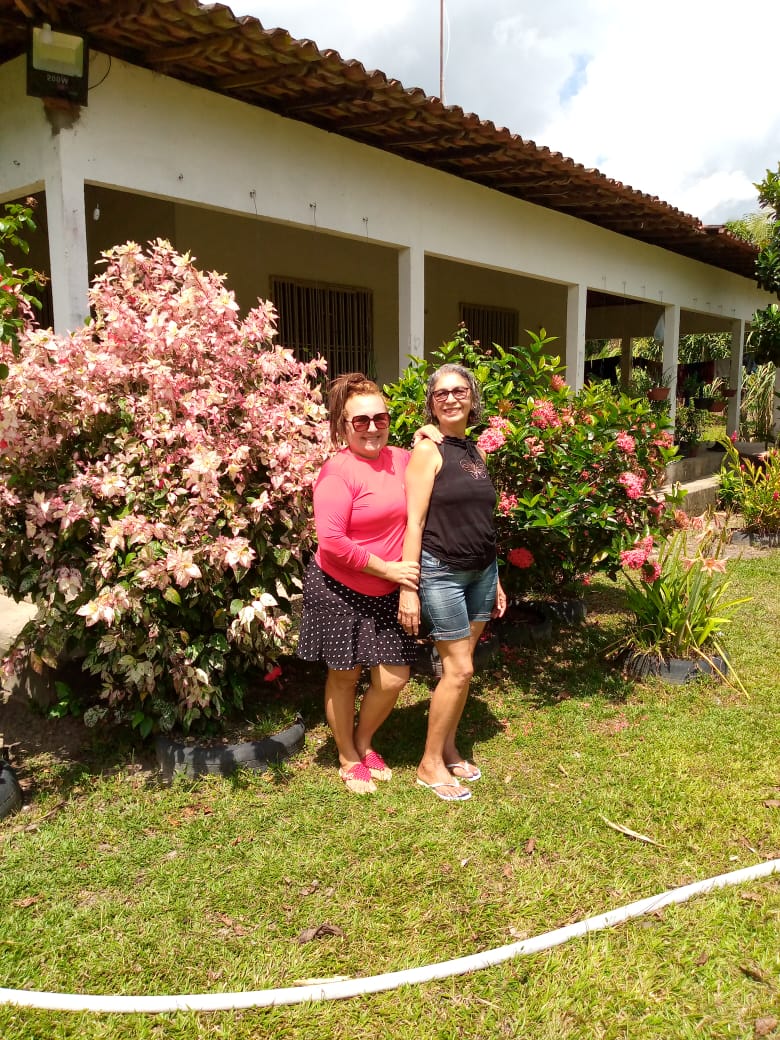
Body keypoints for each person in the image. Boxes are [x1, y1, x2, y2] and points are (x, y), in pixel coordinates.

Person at [297, 373, 424, 794]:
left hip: (386, 588)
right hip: (339, 589)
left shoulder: (403, 459)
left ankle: (365, 740)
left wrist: (429, 437)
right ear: (343, 426)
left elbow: (432, 467)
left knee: (394, 677)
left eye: (380, 418)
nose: (372, 428)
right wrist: (390, 570)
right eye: (360, 421)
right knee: (345, 676)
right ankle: (348, 755)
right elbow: (332, 543)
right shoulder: (337, 472)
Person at [399, 363, 506, 801]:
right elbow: (414, 521)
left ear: (472, 398)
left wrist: (496, 578)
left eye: (459, 391)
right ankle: (428, 765)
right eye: (441, 393)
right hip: (441, 570)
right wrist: (409, 586)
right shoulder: (428, 451)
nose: (450, 398)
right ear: (431, 402)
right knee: (459, 669)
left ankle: (446, 748)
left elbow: (483, 518)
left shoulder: (476, 452)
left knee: (460, 670)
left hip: (482, 571)